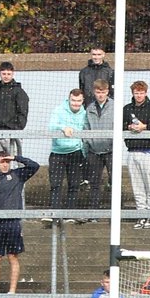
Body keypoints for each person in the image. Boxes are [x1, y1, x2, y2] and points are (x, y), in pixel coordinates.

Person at [0, 151, 40, 298]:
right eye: (2, 161)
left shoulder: (18, 174)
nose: (5, 164)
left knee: (13, 257)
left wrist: (16, 158)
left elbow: (34, 166)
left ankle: (12, 293)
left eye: (7, 162)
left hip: (13, 224)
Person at [123, 80, 150, 229]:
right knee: (137, 186)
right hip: (133, 152)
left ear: (146, 93)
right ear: (133, 93)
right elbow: (121, 125)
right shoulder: (126, 109)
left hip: (149, 152)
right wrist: (129, 127)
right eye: (136, 93)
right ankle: (140, 214)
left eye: (141, 92)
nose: (139, 95)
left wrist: (145, 127)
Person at [47, 88, 88, 221]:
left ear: (83, 101)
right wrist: (63, 128)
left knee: (74, 185)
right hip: (57, 153)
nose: (76, 103)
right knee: (56, 185)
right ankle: (55, 215)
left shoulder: (85, 113)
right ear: (69, 99)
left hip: (76, 153)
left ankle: (70, 214)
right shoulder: (58, 110)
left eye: (78, 101)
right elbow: (50, 126)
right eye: (73, 100)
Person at [83, 79, 113, 216]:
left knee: (114, 181)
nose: (100, 95)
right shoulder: (89, 108)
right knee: (94, 183)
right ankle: (93, 213)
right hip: (94, 151)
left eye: (103, 92)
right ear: (94, 92)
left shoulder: (115, 107)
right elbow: (86, 128)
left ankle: (114, 211)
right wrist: (89, 143)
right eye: (98, 92)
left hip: (111, 151)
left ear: (107, 92)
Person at [0, 61, 29, 158]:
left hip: (11, 134)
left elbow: (23, 113)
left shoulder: (19, 92)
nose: (6, 76)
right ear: (0, 74)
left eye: (8, 74)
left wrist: (16, 130)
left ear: (13, 74)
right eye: (4, 74)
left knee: (13, 162)